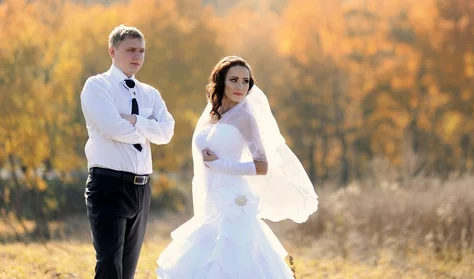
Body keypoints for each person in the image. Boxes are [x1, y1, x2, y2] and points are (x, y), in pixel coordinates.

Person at [156, 56, 318, 278]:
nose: (240, 86)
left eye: (245, 81)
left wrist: (221, 165)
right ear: (220, 81)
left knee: (234, 263)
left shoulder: (246, 118)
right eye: (234, 79)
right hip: (211, 199)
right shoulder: (211, 116)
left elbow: (262, 166)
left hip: (234, 199)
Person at [80, 24, 175, 279]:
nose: (137, 56)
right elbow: (112, 128)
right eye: (131, 50)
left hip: (141, 189)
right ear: (112, 51)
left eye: (142, 51)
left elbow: (167, 133)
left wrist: (135, 121)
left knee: (128, 270)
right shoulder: (97, 86)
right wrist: (149, 130)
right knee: (110, 266)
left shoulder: (150, 94)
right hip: (108, 184)